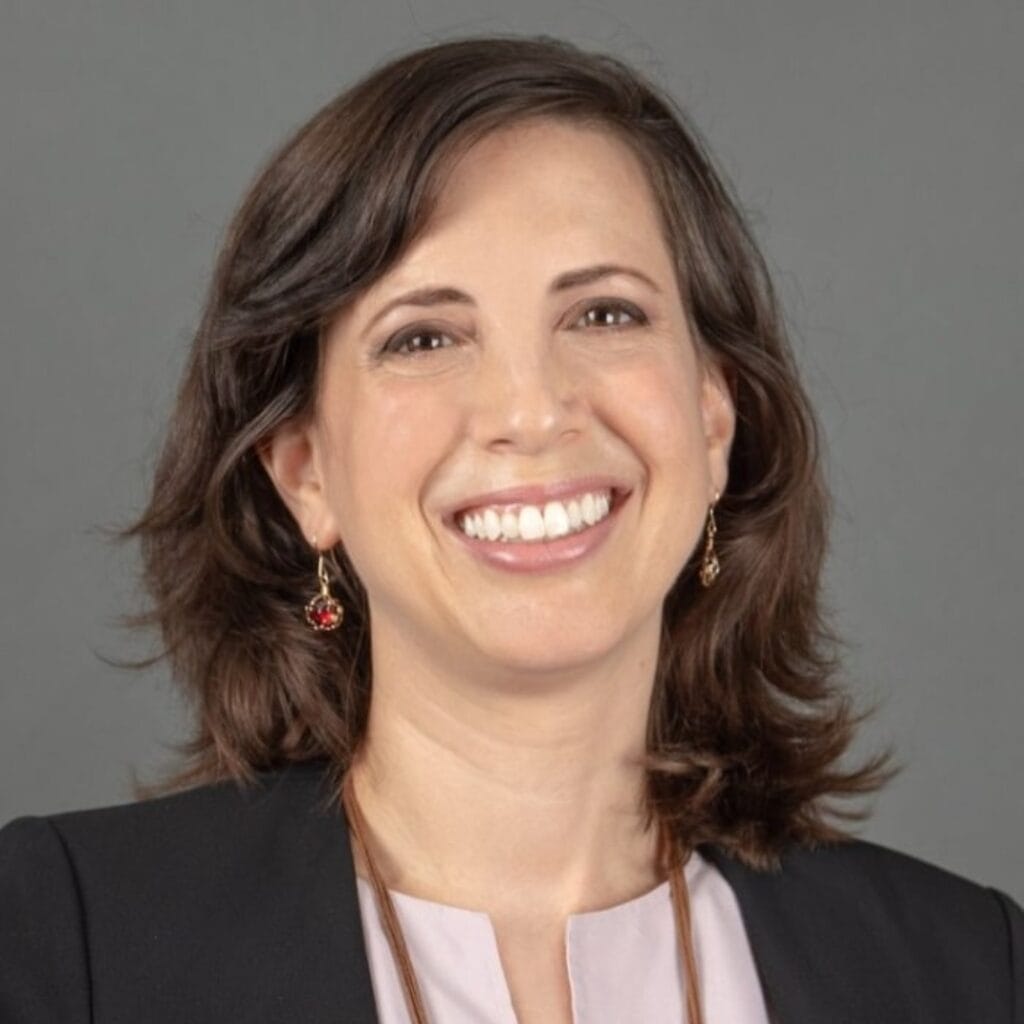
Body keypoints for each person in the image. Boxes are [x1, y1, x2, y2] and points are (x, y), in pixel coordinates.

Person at [0, 34, 1019, 1024]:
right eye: (425, 336)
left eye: (604, 315)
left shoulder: (970, 970)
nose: (531, 411)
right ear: (303, 470)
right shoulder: (62, 939)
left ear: (715, 419)